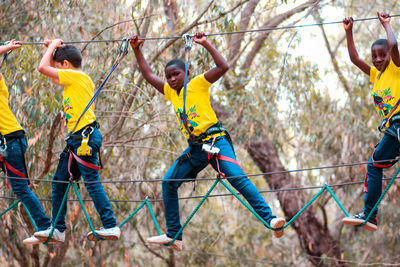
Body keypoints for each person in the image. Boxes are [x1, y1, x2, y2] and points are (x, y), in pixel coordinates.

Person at [129, 32, 286, 251]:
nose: (172, 79)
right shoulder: (170, 93)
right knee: (168, 183)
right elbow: (147, 74)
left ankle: (270, 218)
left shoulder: (197, 84)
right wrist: (136, 49)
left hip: (215, 140)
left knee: (236, 177)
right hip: (196, 149)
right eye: (169, 76)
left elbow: (223, 67)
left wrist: (205, 44)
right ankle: (174, 235)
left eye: (176, 74)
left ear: (187, 73)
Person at [33, 39, 120, 242]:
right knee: (59, 181)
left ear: (65, 66)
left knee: (91, 181)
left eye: (58, 67)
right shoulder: (78, 78)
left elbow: (42, 68)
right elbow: (52, 75)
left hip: (85, 138)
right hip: (76, 140)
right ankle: (58, 229)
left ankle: (110, 225)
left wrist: (54, 44)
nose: (57, 73)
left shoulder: (75, 77)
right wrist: (51, 49)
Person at [341, 12, 400, 232]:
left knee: (373, 166)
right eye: (374, 56)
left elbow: (393, 45)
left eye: (381, 55)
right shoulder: (376, 75)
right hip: (393, 129)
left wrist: (386, 25)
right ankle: (371, 215)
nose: (377, 60)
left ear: (389, 56)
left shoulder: (396, 68)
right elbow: (355, 59)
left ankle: (370, 214)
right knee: (375, 165)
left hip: (398, 125)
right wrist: (349, 32)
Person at [0, 40, 53, 245]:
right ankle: (43, 226)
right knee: (20, 187)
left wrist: (7, 48)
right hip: (9, 141)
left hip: (10, 140)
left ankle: (45, 226)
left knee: (21, 188)